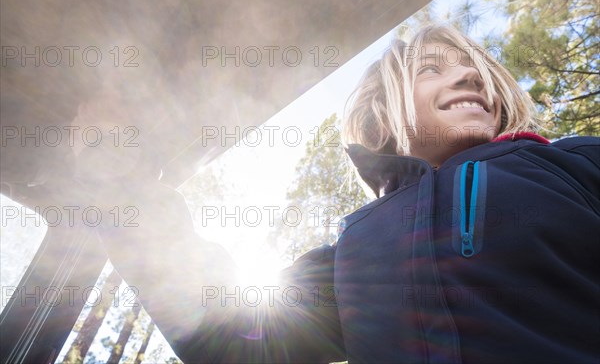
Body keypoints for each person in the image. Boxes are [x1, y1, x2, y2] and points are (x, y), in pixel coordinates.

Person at [98, 24, 599, 363]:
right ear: (382, 111)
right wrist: (129, 194)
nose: (470, 74)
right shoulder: (356, 253)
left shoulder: (574, 162)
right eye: (431, 69)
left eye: (474, 69)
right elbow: (224, 329)